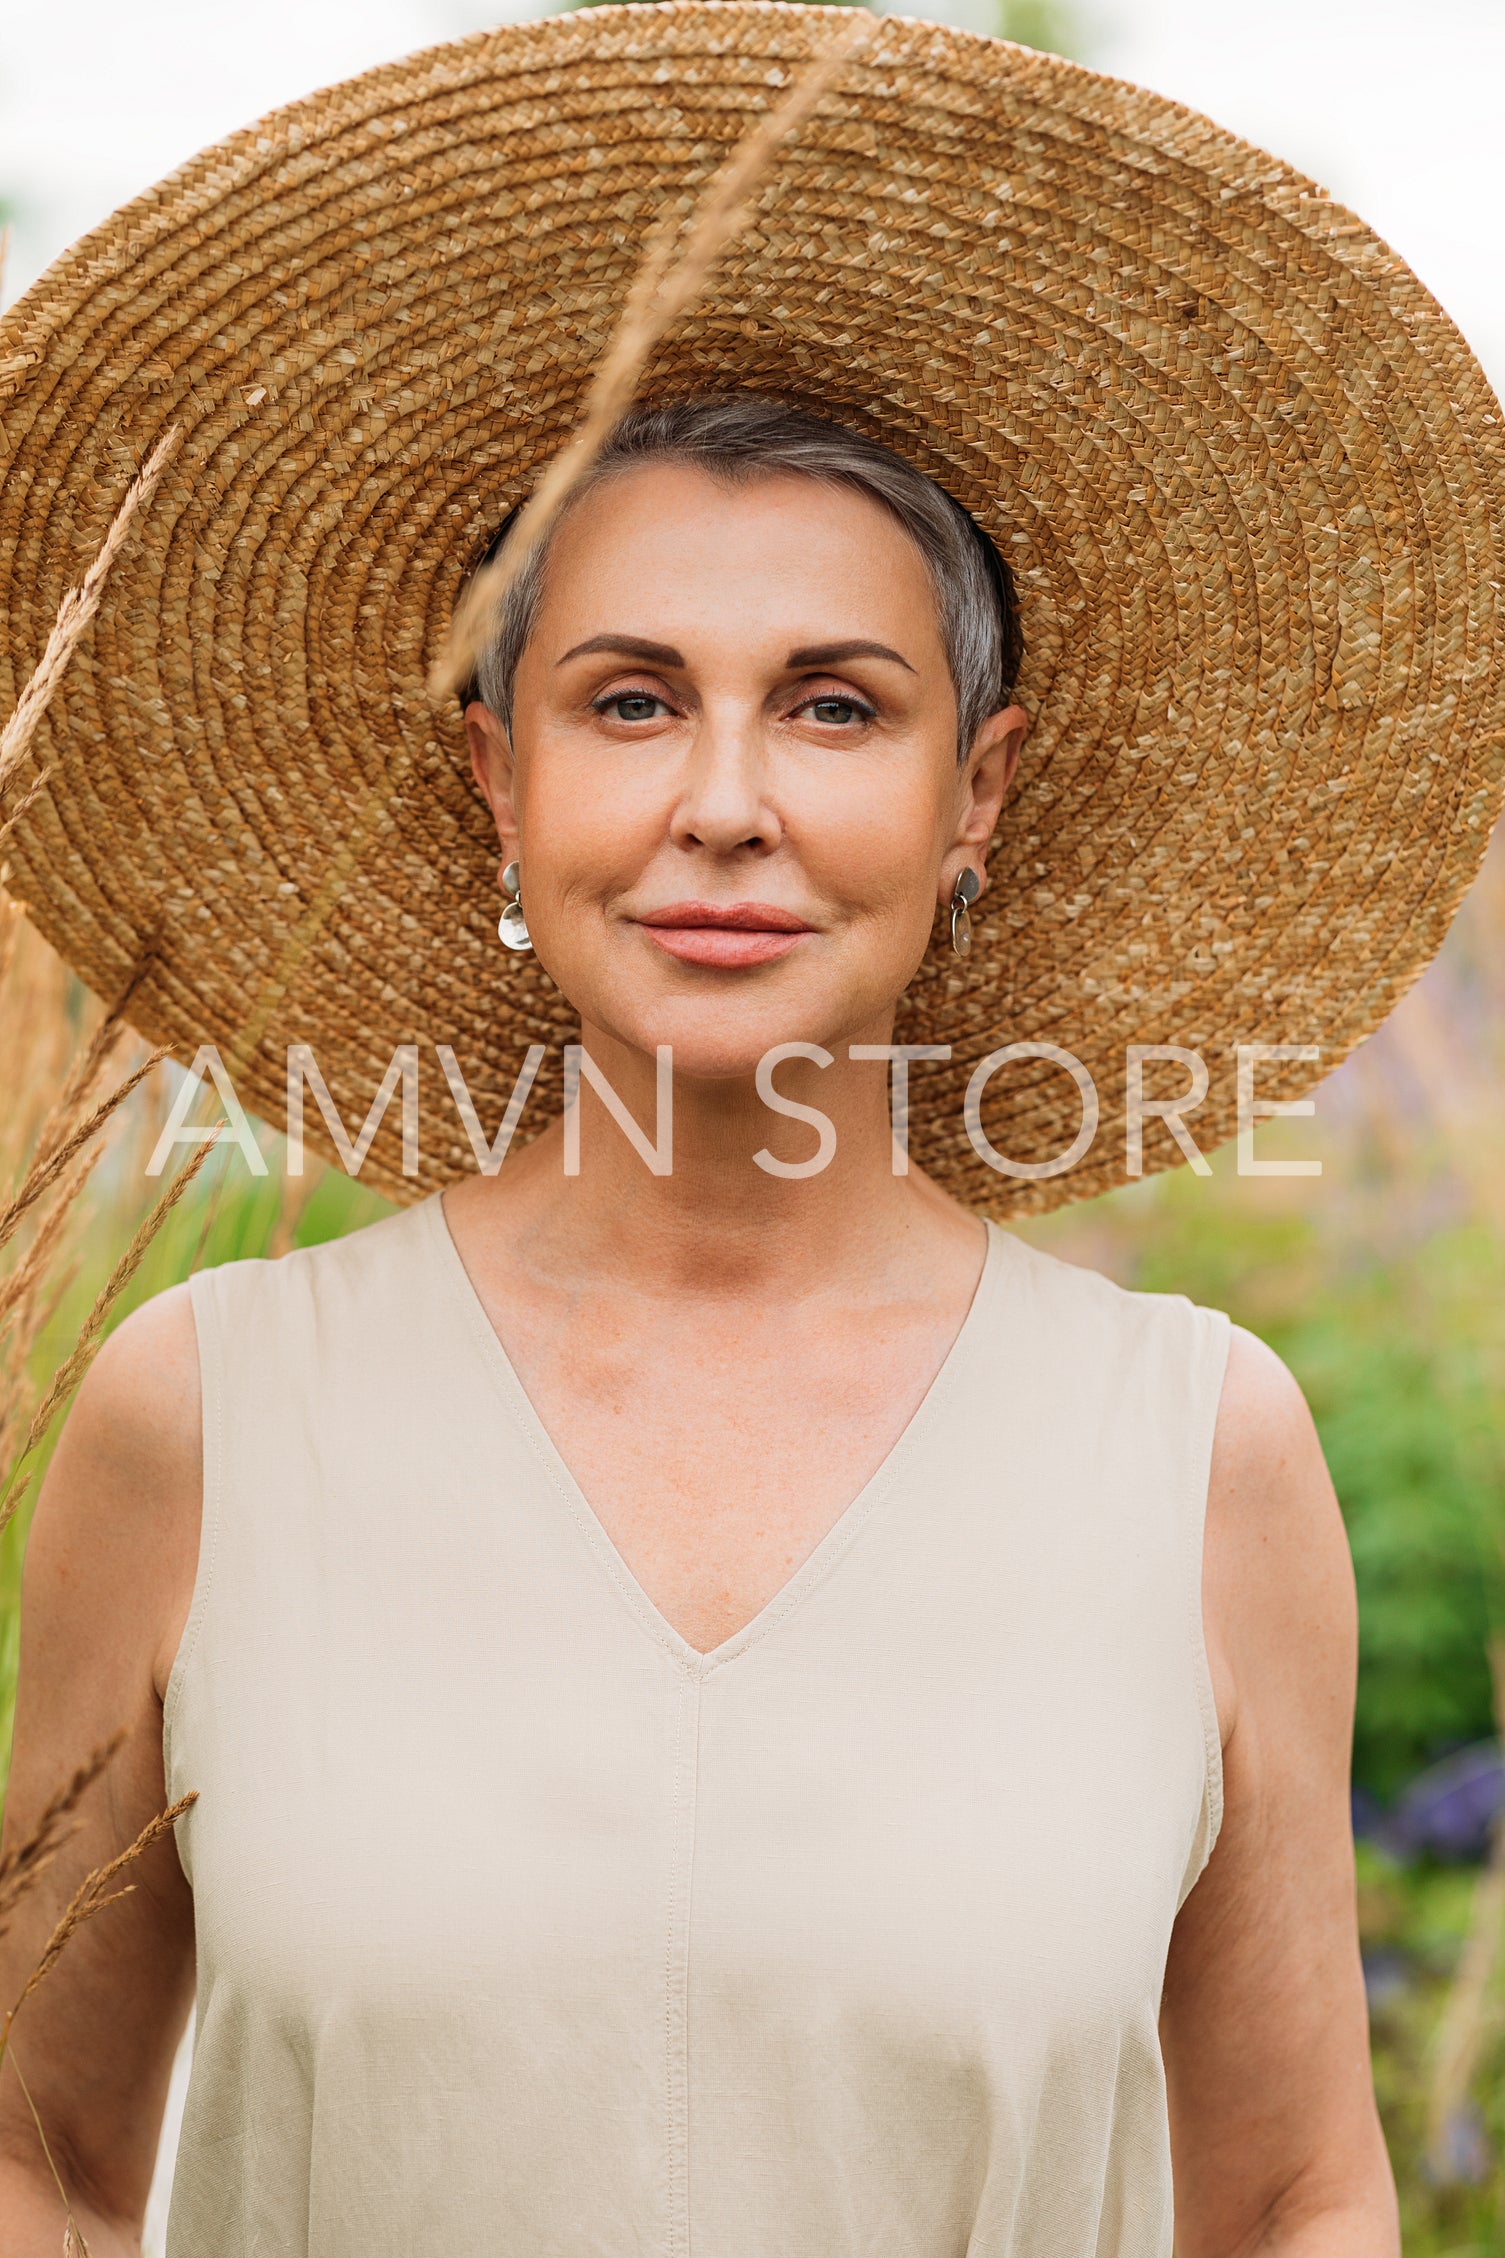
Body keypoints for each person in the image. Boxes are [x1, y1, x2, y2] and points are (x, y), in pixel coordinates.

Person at [1, 9, 1501, 2255]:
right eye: (628, 701)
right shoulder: (205, 1418)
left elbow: (1295, 2191)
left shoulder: (1201, 1454)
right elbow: (38, 2152)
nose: (725, 801)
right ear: (498, 780)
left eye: (834, 703)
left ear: (972, 798)